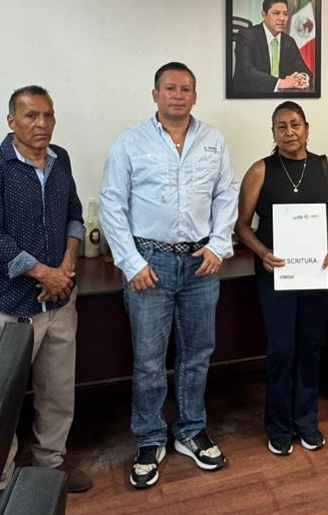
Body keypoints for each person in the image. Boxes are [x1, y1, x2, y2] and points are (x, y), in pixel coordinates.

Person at [101, 62, 240, 489]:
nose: (178, 95)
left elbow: (227, 194)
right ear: (155, 94)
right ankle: (149, 437)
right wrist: (132, 262)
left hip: (201, 262)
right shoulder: (130, 143)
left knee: (197, 353)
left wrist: (218, 245)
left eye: (185, 89)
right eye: (170, 88)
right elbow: (112, 204)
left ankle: (191, 430)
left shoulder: (213, 141)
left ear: (195, 96)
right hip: (150, 264)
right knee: (148, 359)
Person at [0, 85, 92, 493]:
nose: (42, 123)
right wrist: (43, 273)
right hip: (11, 305)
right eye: (31, 115)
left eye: (48, 115)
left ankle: (50, 464)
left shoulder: (61, 159)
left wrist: (67, 264)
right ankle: (1, 481)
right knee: (2, 399)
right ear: (12, 121)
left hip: (60, 302)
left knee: (57, 391)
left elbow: (74, 216)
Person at [234, 102, 328, 455]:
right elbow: (242, 225)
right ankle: (278, 425)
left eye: (295, 124)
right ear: (273, 133)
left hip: (316, 274)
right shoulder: (260, 170)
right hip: (277, 275)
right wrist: (262, 252)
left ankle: (306, 421)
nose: (289, 132)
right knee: (282, 350)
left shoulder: (325, 166)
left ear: (307, 129)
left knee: (311, 347)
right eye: (281, 126)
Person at [232, 0, 313, 95]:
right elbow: (246, 71)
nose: (282, 18)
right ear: (264, 15)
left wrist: (302, 77)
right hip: (248, 97)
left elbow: (304, 70)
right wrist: (281, 83)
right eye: (276, 13)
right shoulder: (247, 35)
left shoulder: (288, 41)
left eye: (285, 14)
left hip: (280, 98)